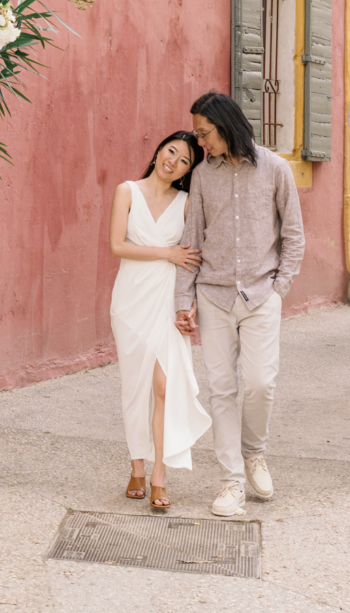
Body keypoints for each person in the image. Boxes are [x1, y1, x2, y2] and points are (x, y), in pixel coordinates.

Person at [175, 91, 305, 520]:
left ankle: (255, 454)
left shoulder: (276, 169)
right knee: (221, 390)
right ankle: (231, 480)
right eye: (197, 134)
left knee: (259, 382)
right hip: (213, 295)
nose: (200, 142)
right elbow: (192, 239)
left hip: (260, 294)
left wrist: (279, 287)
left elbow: (294, 235)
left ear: (226, 125)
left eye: (205, 133)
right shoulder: (202, 175)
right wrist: (184, 298)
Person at [109, 131, 212, 512]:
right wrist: (166, 253)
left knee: (164, 387)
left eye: (184, 160)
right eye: (171, 152)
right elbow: (117, 245)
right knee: (134, 386)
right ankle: (136, 465)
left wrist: (191, 305)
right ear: (158, 151)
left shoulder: (185, 202)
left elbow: (195, 258)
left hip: (167, 303)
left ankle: (158, 476)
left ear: (188, 170)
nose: (174, 162)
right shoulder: (127, 191)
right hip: (130, 301)